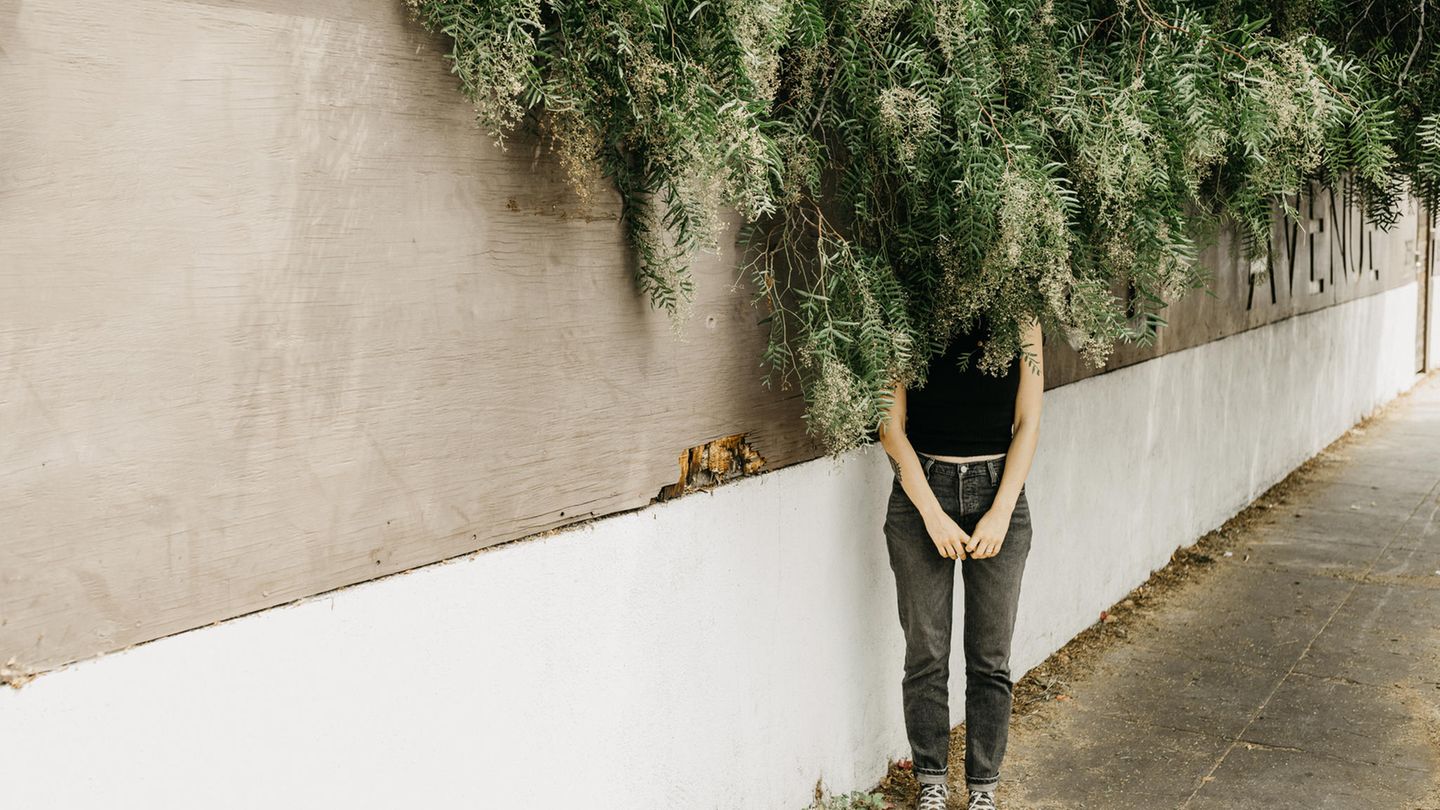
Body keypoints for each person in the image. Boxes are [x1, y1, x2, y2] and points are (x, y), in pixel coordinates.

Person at [876, 311, 1044, 810]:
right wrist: (932, 514)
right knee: (925, 651)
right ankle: (931, 781)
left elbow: (1029, 421)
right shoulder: (905, 302)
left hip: (1000, 491)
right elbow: (891, 424)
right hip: (920, 494)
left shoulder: (1022, 310)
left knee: (990, 658)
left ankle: (983, 791)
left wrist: (999, 512)